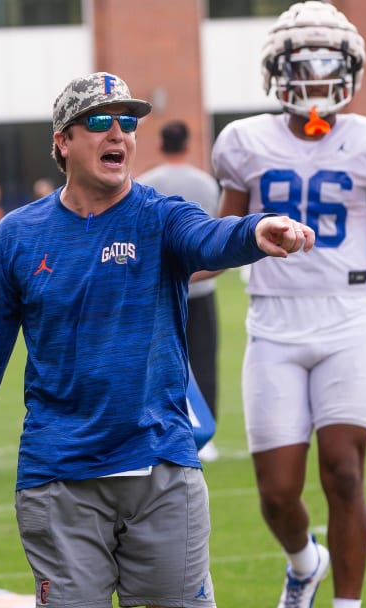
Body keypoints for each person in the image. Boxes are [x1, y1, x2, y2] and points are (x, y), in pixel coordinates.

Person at [0, 71, 316, 608]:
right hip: (58, 477)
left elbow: (209, 236)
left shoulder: (159, 215)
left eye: (127, 123)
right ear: (62, 141)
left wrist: (255, 231)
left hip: (160, 467)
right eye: (99, 122)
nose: (118, 134)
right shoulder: (18, 234)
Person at [211, 3, 366, 607]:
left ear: (351, 70)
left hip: (349, 315)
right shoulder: (244, 141)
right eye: (303, 66)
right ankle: (305, 564)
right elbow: (218, 238)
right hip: (272, 319)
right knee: (276, 492)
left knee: (344, 470)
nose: (317, 80)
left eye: (330, 66)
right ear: (277, 70)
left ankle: (347, 604)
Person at [138, 120, 223, 462]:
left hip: (158, 292)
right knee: (203, 362)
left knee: (156, 363)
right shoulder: (206, 184)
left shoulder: (145, 183)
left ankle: (159, 430)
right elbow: (218, 237)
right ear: (188, 145)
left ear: (160, 145)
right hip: (200, 288)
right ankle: (206, 436)